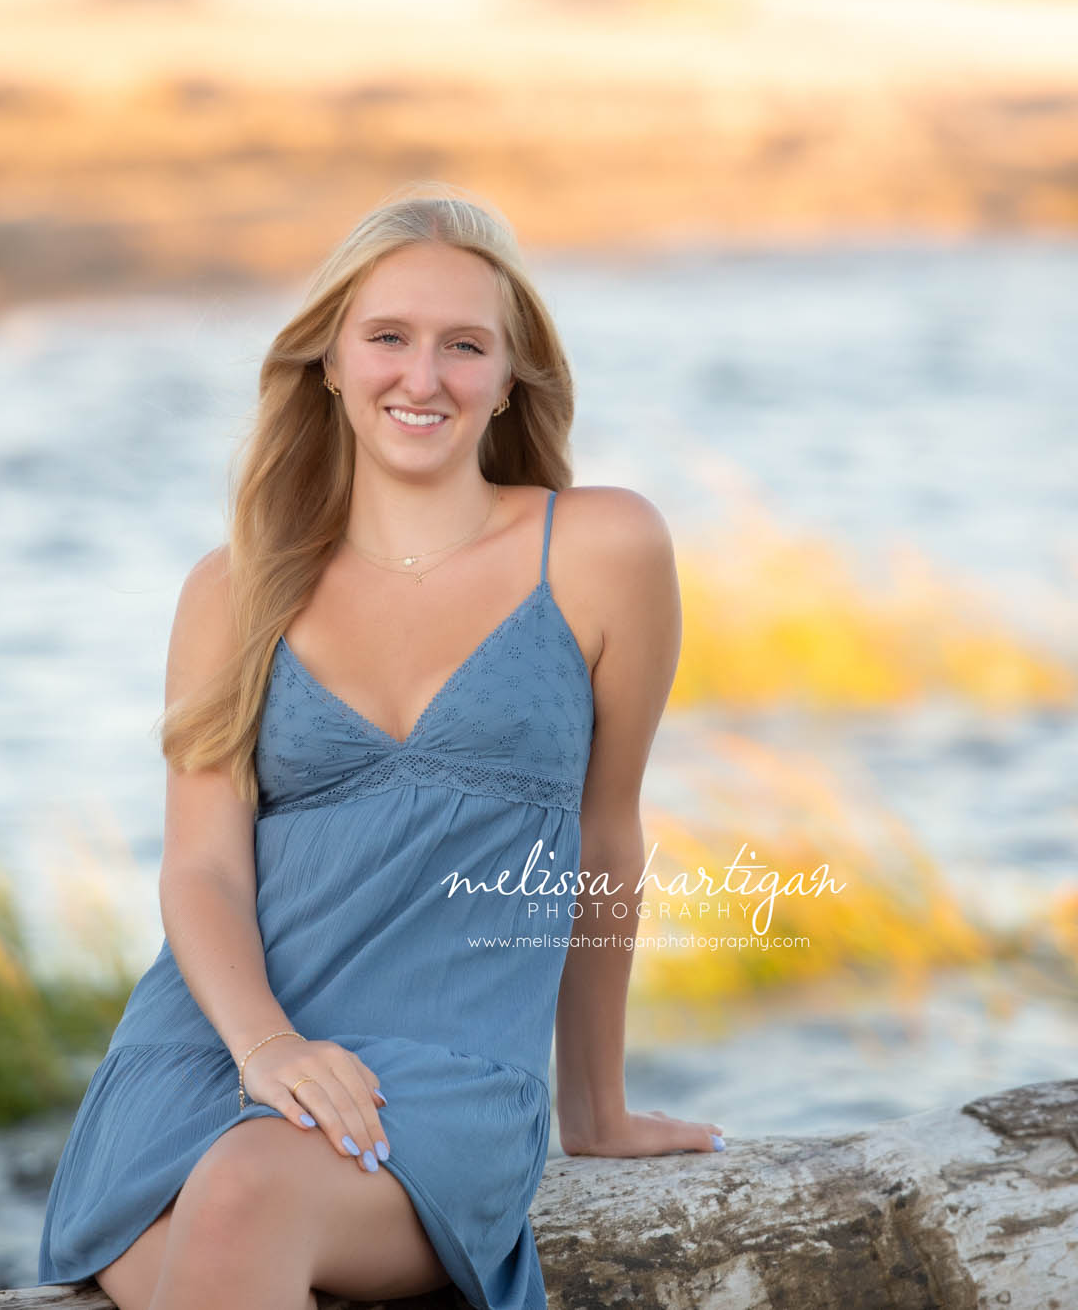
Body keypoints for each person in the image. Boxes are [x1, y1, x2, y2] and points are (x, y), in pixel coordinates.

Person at [37, 186, 726, 1310]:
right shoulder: (231, 590)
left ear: (509, 378)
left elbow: (604, 834)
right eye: (388, 337)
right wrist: (266, 1050)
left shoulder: (601, 548)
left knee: (247, 1195)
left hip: (447, 1077)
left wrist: (589, 1108)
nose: (423, 376)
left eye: (464, 346)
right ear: (328, 361)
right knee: (230, 1197)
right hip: (211, 1051)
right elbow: (202, 866)